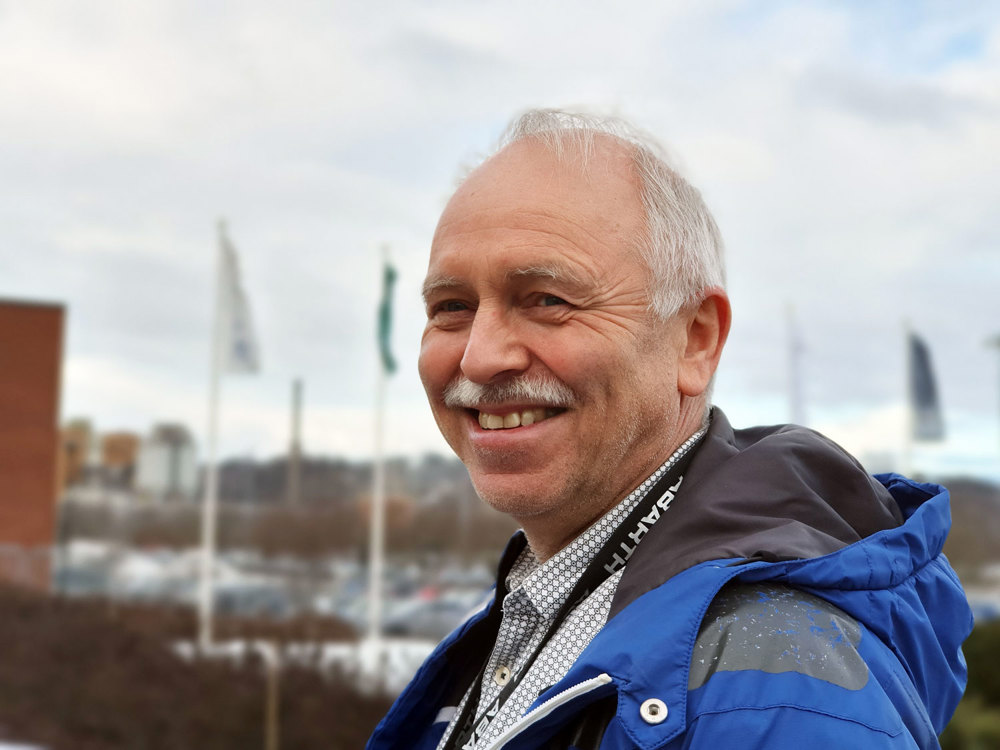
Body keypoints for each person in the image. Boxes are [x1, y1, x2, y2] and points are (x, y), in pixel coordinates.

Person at [366, 109, 972, 750]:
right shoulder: (544, 614)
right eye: (452, 307)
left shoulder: (777, 693)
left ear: (694, 340)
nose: (480, 357)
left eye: (548, 299)